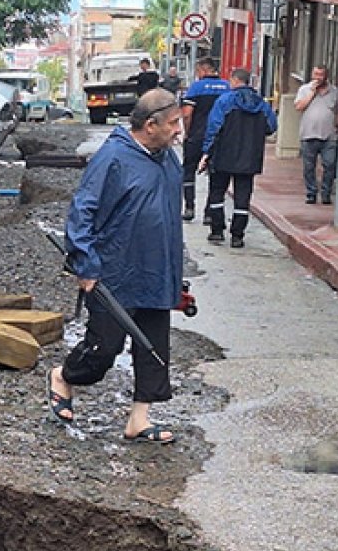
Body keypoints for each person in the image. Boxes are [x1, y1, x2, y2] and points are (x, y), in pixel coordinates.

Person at [45, 89, 185, 444]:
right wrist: (85, 265)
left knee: (153, 346)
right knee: (104, 347)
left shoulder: (168, 159)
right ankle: (64, 375)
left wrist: (175, 276)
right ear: (150, 125)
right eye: (174, 123)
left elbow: (169, 220)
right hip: (115, 271)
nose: (179, 130)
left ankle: (139, 419)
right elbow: (82, 212)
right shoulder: (113, 158)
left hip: (156, 270)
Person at [200, 68, 278, 248]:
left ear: (234, 81)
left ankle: (217, 231)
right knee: (243, 197)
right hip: (249, 157)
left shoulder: (225, 101)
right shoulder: (261, 104)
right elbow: (271, 126)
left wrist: (206, 152)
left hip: (223, 155)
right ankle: (237, 236)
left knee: (217, 192)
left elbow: (214, 128)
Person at [180, 58, 231, 222]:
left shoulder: (196, 87)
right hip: (219, 138)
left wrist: (187, 133)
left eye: (198, 71)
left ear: (203, 70)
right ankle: (210, 212)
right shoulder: (227, 87)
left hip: (197, 135)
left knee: (189, 172)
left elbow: (187, 113)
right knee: (215, 176)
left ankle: (189, 207)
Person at [295, 66, 338, 205]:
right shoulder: (304, 89)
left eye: (321, 75)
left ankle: (326, 193)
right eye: (315, 74)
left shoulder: (334, 91)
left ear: (326, 76)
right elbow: (299, 107)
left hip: (329, 136)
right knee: (309, 166)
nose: (318, 77)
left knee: (330, 164)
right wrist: (311, 93)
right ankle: (311, 193)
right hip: (309, 134)